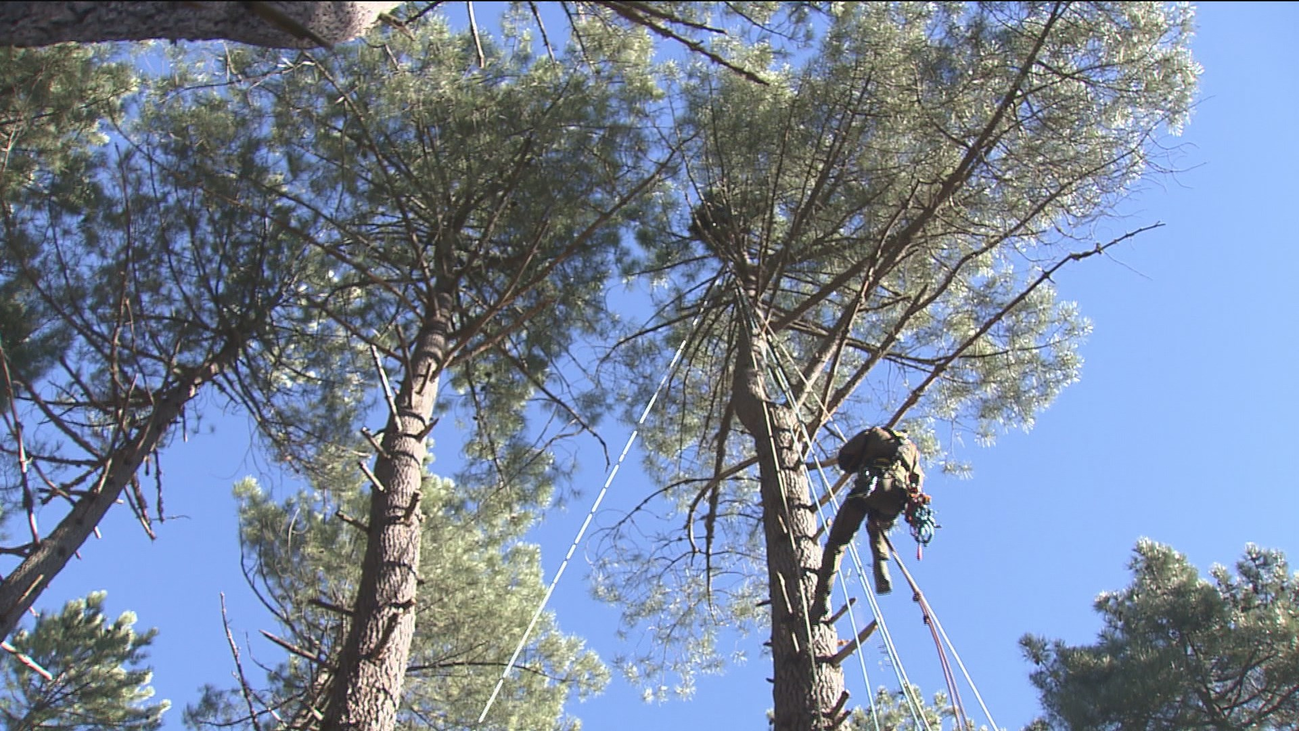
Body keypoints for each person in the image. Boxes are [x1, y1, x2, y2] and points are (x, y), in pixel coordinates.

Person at [811, 426, 926, 619]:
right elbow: (917, 480)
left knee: (838, 543)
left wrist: (858, 464)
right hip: (895, 498)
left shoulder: (876, 433)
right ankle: (882, 571)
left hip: (870, 486)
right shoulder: (912, 449)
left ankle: (822, 599)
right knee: (877, 526)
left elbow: (846, 455)